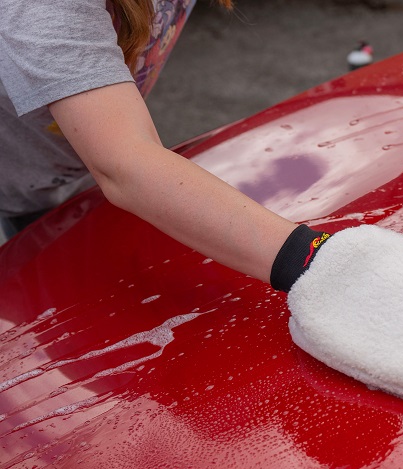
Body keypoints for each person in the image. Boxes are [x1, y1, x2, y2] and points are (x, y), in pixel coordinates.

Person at [0, 0, 329, 292]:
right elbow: (125, 165)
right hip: (23, 180)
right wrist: (316, 260)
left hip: (77, 159)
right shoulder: (40, 8)